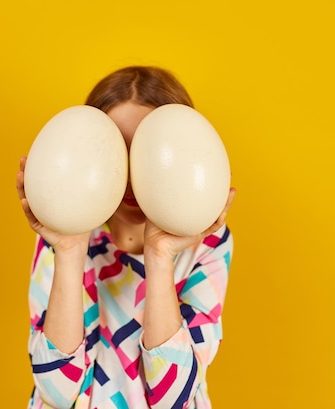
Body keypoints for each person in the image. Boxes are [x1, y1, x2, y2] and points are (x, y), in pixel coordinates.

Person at [16, 65, 235, 409]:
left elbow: (171, 397)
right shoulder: (63, 235)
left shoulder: (204, 242)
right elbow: (57, 392)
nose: (132, 179)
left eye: (147, 153)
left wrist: (160, 256)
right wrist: (70, 251)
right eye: (116, 151)